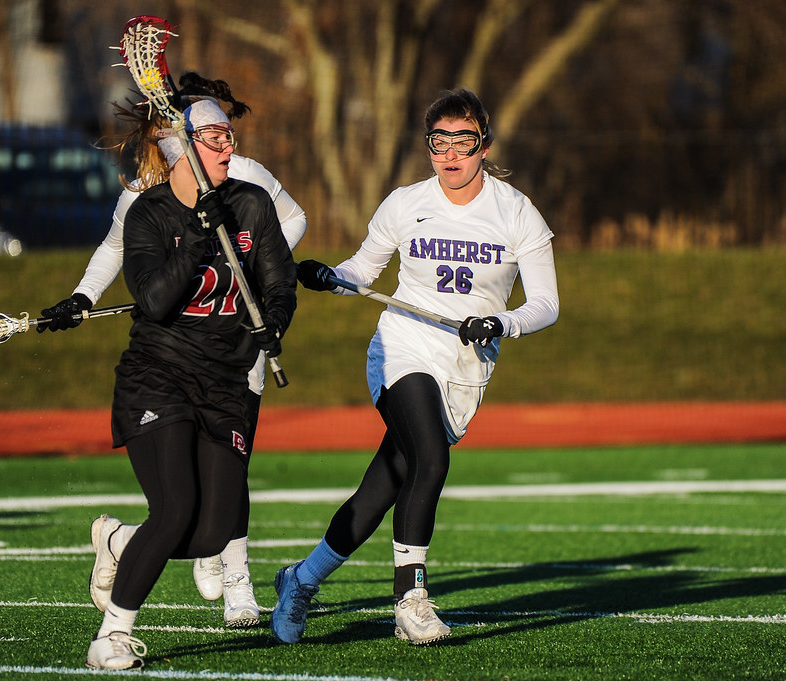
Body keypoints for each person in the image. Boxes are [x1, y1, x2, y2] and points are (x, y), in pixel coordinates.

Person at [270, 88, 559, 646]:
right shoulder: (405, 202)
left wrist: (502, 324)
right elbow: (363, 269)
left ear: (484, 145)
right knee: (430, 459)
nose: (451, 154)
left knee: (382, 490)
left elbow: (545, 304)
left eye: (463, 142)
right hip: (402, 350)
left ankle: (300, 580)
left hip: (466, 366)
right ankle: (411, 599)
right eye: (439, 142)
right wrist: (332, 276)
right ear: (429, 147)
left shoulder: (516, 211)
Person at [39, 73, 306, 630]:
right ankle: (139, 610)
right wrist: (83, 296)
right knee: (179, 502)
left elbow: (288, 231)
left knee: (228, 481)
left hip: (235, 348)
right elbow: (122, 255)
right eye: (210, 136)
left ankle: (217, 562)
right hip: (169, 360)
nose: (226, 146)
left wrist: (251, 282)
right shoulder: (143, 196)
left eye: (224, 134)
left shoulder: (244, 183)